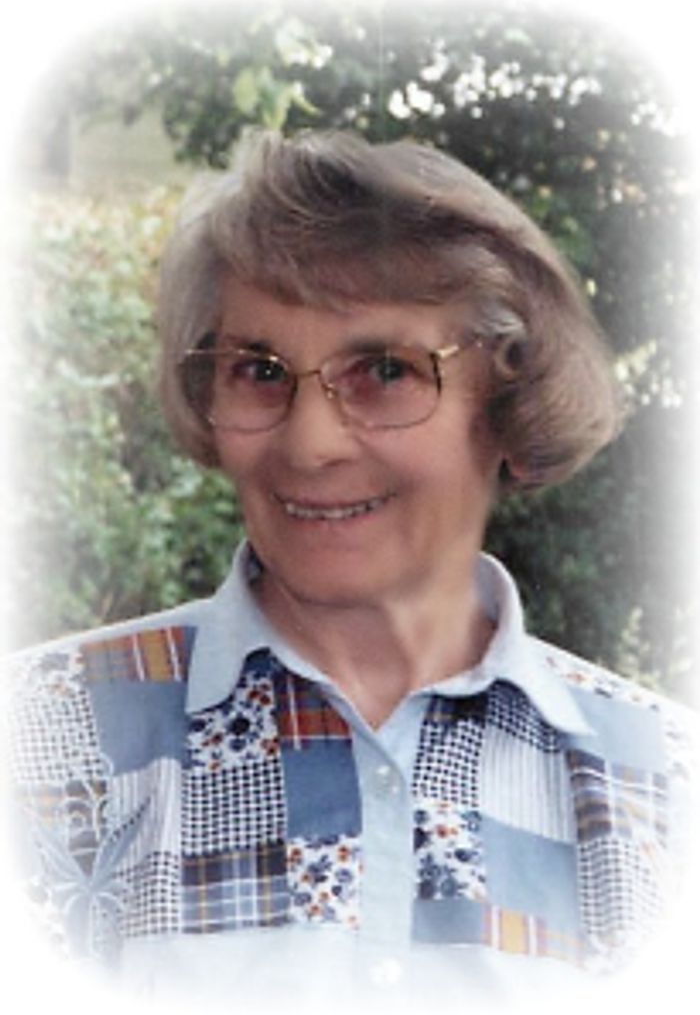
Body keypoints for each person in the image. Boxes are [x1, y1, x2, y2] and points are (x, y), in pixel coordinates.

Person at [8, 129, 694, 1009]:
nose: (310, 443)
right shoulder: (38, 739)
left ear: (510, 402)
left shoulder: (665, 787)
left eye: (385, 371)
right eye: (259, 371)